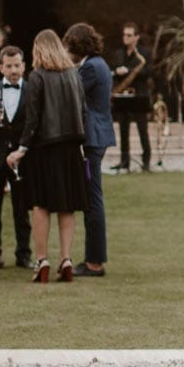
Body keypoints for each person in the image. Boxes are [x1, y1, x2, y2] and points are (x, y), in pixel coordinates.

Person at [6, 29, 88, 283]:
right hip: (71, 148)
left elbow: (33, 119)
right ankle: (66, 258)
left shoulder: (38, 77)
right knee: (67, 206)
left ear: (38, 49)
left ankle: (42, 259)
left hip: (45, 149)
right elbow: (83, 112)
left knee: (41, 205)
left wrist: (22, 148)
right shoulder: (74, 75)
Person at [66, 23, 115, 277]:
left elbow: (70, 94)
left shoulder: (90, 68)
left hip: (92, 138)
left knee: (92, 199)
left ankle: (95, 261)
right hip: (98, 135)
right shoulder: (97, 64)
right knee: (91, 197)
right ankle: (93, 258)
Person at [0, 45, 34, 268]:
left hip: (21, 157)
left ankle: (24, 253)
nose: (13, 70)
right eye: (9, 66)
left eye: (17, 65)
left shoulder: (32, 90)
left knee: (21, 208)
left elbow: (34, 124)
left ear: (24, 66)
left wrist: (23, 149)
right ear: (1, 68)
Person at [110, 21, 149, 172]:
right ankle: (124, 161)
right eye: (124, 34)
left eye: (129, 35)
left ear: (136, 37)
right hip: (122, 95)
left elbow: (148, 72)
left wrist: (129, 71)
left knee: (142, 130)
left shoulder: (144, 54)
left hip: (139, 95)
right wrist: (117, 71)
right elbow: (113, 70)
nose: (125, 37)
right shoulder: (119, 53)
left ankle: (146, 161)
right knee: (123, 130)